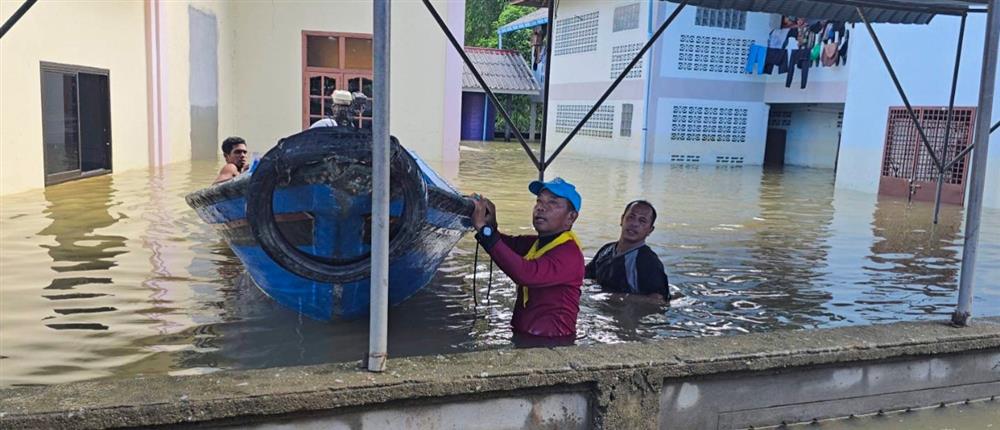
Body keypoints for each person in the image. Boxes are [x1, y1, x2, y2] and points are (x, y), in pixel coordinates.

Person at [470, 177, 584, 346]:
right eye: (539, 201)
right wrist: (490, 225)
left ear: (571, 217)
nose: (541, 207)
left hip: (553, 344)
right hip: (526, 338)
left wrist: (485, 230)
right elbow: (503, 244)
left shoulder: (569, 254)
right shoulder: (537, 243)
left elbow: (526, 273)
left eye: (553, 203)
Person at [585, 200, 670, 301]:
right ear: (622, 220)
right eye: (631, 217)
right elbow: (586, 277)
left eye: (642, 221)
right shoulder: (606, 250)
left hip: (628, 313)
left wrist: (613, 297)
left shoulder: (648, 262)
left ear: (650, 230)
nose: (634, 224)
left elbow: (658, 300)